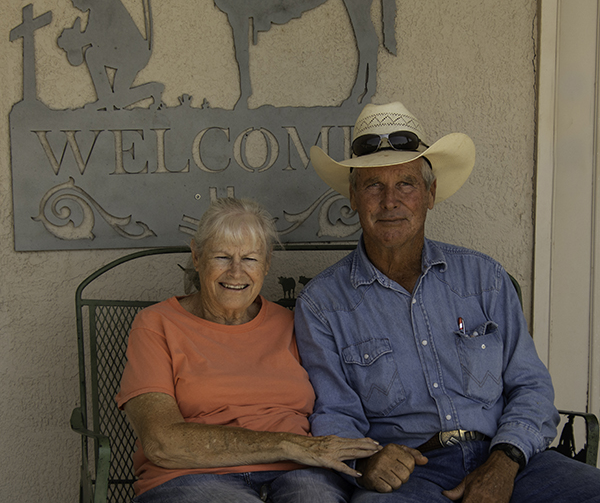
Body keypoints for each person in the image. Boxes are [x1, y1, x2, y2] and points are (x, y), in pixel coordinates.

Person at [294, 101, 600, 503]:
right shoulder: (323, 304)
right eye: (373, 186)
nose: (390, 201)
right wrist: (367, 463)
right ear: (353, 197)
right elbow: (335, 415)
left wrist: (505, 462)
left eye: (405, 183)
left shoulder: (484, 278)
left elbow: (531, 387)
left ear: (430, 193)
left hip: (509, 459)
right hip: (410, 476)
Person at [116, 197, 381, 502]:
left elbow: (337, 403)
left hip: (299, 472)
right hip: (194, 477)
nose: (236, 272)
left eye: (250, 259)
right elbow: (161, 441)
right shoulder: (156, 325)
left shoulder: (294, 323)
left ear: (267, 264)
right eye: (222, 257)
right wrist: (285, 445)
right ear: (198, 256)